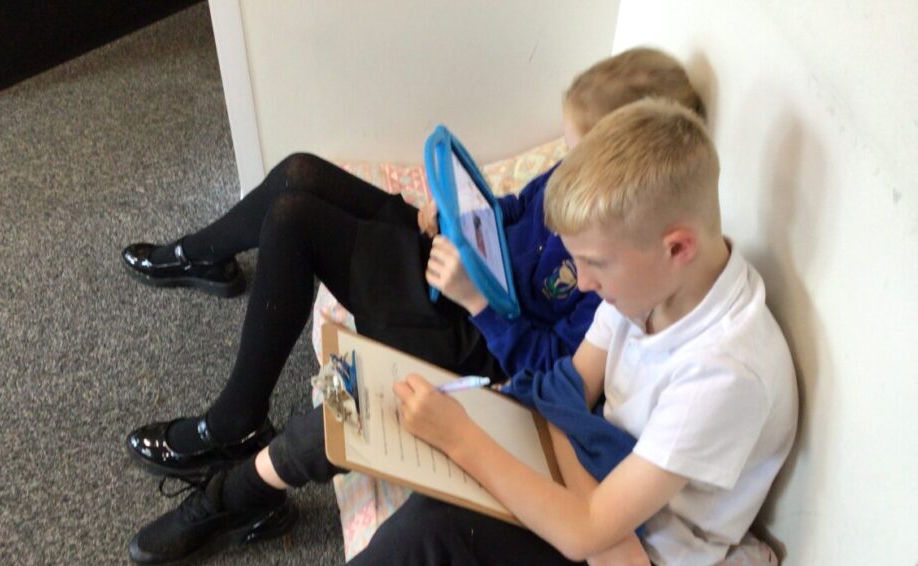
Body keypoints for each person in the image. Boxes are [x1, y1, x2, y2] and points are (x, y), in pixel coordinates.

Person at [125, 98, 798, 566]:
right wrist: (550, 451)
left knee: (434, 526)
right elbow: (565, 387)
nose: (586, 283)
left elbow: (586, 529)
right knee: (382, 393)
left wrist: (473, 443)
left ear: (676, 246)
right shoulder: (646, 280)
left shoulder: (725, 375)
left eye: (595, 265)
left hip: (635, 554)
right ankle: (241, 492)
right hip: (597, 471)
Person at [121, 48, 705, 479]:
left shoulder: (614, 274)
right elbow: (520, 206)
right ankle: (200, 255)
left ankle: (235, 422)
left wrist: (476, 300)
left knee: (294, 220)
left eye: (578, 154)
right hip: (461, 266)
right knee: (302, 171)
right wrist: (458, 214)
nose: (566, 165)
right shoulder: (574, 181)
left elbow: (553, 370)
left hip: (474, 332)